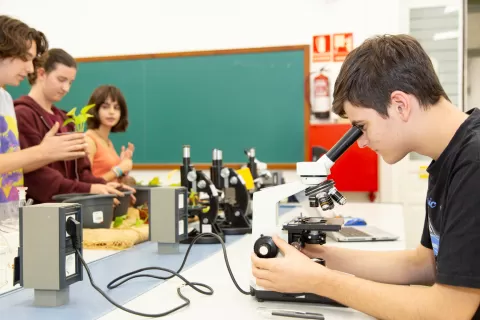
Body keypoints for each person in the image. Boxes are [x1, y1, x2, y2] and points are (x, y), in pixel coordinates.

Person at [251, 34, 480, 320]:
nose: (361, 142)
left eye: (362, 126)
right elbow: (423, 265)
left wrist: (318, 280)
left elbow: (448, 311)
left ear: (400, 105)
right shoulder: (449, 156)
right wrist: (321, 257)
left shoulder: (474, 162)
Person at [0, 16, 88, 228]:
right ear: (4, 50)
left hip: (8, 218)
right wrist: (43, 152)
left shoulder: (5, 99)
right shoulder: (21, 108)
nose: (30, 68)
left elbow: (11, 160)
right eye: (26, 58)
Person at [13, 48, 132, 204]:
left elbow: (81, 171)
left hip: (69, 209)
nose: (66, 88)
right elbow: (35, 175)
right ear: (41, 73)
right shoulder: (23, 114)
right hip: (41, 212)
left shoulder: (67, 119)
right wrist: (88, 190)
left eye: (70, 82)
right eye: (61, 80)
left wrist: (105, 185)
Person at [84, 85, 135, 184]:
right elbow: (86, 184)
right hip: (98, 199)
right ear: (95, 109)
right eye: (105, 107)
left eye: (116, 108)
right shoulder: (89, 140)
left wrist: (123, 168)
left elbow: (110, 179)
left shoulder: (108, 142)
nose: (112, 112)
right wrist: (119, 169)